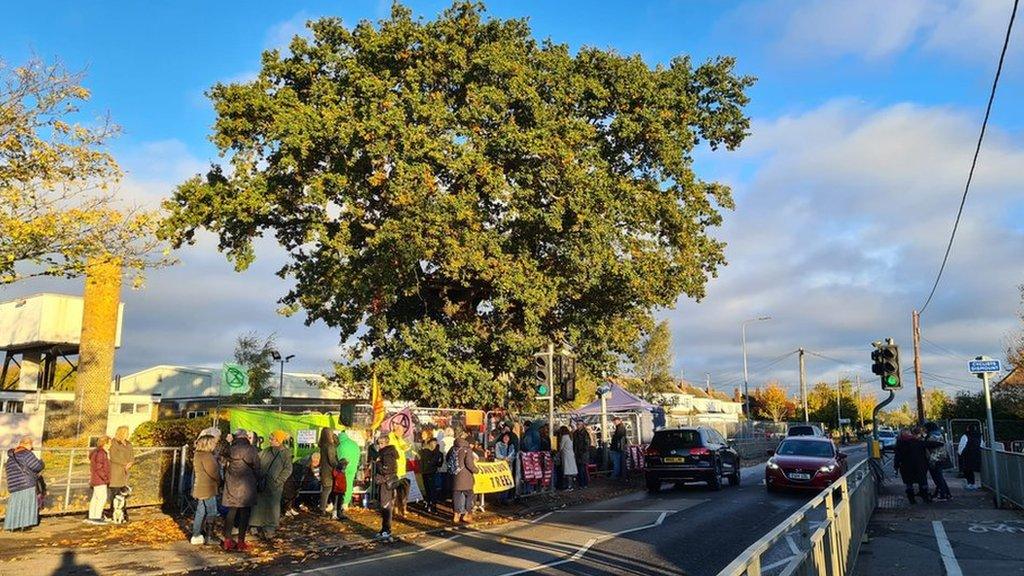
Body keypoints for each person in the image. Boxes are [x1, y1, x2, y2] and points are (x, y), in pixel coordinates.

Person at [222, 429, 261, 551]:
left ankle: (227, 540)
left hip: (231, 483)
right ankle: (240, 542)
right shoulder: (251, 449)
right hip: (247, 484)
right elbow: (257, 466)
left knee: (231, 511)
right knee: (245, 513)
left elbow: (222, 462)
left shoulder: (230, 448)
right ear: (244, 437)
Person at [251, 430, 293, 538]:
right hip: (262, 482)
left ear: (278, 440)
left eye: (272, 438)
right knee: (259, 504)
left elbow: (288, 469)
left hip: (274, 485)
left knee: (272, 506)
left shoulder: (285, 453)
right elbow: (256, 461)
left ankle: (269, 528)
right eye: (270, 438)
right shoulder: (266, 451)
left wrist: (278, 481)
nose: (270, 440)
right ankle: (256, 525)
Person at [4, 436, 44, 532]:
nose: (32, 448)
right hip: (26, 482)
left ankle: (12, 525)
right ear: (27, 444)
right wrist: (42, 463)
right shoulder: (26, 454)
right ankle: (25, 525)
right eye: (31, 445)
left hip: (14, 484)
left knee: (15, 505)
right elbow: (37, 466)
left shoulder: (11, 457)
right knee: (27, 503)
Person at [894, 427, 942, 504]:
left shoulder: (900, 444)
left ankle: (911, 499)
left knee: (909, 483)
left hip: (906, 467)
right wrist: (940, 443)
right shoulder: (917, 441)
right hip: (920, 465)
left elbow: (897, 456)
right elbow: (929, 444)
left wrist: (896, 467)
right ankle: (925, 497)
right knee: (922, 481)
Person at [190, 434, 221, 544]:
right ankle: (209, 536)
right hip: (208, 488)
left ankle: (196, 534)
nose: (215, 445)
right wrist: (220, 481)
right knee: (212, 512)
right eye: (213, 443)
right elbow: (214, 472)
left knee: (200, 511)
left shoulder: (198, 455)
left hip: (200, 487)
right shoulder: (207, 456)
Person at [373, 434, 398, 541]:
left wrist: (378, 463)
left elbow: (386, 469)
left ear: (386, 443)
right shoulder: (385, 453)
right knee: (384, 506)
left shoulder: (387, 454)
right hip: (385, 482)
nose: (379, 446)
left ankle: (386, 530)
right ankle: (384, 528)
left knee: (386, 506)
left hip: (386, 482)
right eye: (379, 443)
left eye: (381, 443)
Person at [449, 431, 478, 525]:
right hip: (466, 477)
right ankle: (467, 514)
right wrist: (476, 470)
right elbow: (469, 464)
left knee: (456, 495)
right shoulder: (467, 449)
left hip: (455, 476)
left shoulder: (453, 448)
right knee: (469, 494)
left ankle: (456, 514)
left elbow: (447, 459)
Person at [108, 425, 134, 522]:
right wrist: (124, 463)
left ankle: (123, 513)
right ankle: (113, 512)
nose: (128, 434)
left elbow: (132, 455)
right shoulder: (114, 443)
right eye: (126, 432)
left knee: (123, 493)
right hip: (116, 471)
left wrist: (130, 463)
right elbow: (113, 457)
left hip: (125, 472)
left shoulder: (129, 444)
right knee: (115, 493)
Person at [387, 422, 411, 518]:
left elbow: (404, 447)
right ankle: (394, 509)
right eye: (400, 431)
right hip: (394, 469)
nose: (402, 433)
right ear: (396, 430)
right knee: (393, 491)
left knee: (402, 491)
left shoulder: (399, 438)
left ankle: (401, 508)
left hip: (401, 470)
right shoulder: (390, 437)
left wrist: (407, 446)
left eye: (403, 432)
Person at [924, 422, 952, 501]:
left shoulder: (932, 436)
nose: (924, 430)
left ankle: (943, 495)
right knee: (940, 477)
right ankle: (946, 493)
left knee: (937, 477)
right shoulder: (939, 434)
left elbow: (928, 445)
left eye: (925, 428)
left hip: (934, 458)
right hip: (940, 457)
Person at [87, 436, 111, 524]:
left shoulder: (96, 452)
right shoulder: (102, 453)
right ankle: (96, 517)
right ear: (106, 443)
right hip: (100, 479)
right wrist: (106, 478)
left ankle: (92, 516)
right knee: (102, 498)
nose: (110, 445)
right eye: (109, 443)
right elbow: (99, 468)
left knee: (95, 498)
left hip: (95, 478)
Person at [318, 427, 340, 515]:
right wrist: (338, 466)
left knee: (326, 489)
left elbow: (337, 444)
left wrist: (335, 438)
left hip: (324, 470)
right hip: (330, 471)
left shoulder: (323, 445)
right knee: (327, 490)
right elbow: (332, 460)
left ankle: (323, 507)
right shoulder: (329, 446)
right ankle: (323, 508)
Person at [419, 438, 444, 512]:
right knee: (429, 489)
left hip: (431, 473)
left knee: (432, 490)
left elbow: (439, 464)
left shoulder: (438, 453)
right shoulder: (426, 452)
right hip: (427, 472)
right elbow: (432, 462)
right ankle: (430, 504)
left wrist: (439, 457)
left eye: (436, 443)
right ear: (430, 444)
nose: (435, 445)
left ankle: (431, 504)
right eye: (433, 443)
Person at [958, 424, 984, 490]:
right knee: (976, 470)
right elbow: (982, 445)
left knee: (968, 470)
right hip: (977, 455)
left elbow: (961, 446)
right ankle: (977, 484)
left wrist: (960, 454)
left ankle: (970, 483)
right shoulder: (978, 436)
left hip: (967, 456)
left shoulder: (965, 436)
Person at [494, 432, 516, 504]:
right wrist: (504, 458)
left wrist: (508, 459)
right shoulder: (498, 444)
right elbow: (497, 454)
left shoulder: (511, 446)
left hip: (509, 467)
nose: (506, 438)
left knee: (507, 482)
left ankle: (505, 499)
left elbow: (513, 455)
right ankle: (498, 498)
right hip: (500, 467)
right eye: (504, 437)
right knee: (499, 482)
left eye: (507, 437)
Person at [557, 426, 577, 490]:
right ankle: (571, 485)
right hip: (571, 455)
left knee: (567, 471)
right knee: (571, 471)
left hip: (566, 456)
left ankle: (569, 486)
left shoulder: (564, 437)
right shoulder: (570, 436)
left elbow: (561, 447)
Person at [572, 421, 592, 488]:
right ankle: (581, 483)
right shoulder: (575, 433)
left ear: (582, 425)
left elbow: (587, 444)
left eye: (579, 424)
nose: (577, 425)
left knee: (582, 469)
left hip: (583, 454)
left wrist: (583, 452)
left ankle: (583, 484)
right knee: (579, 469)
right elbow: (574, 443)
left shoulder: (585, 433)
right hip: (578, 453)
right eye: (577, 424)